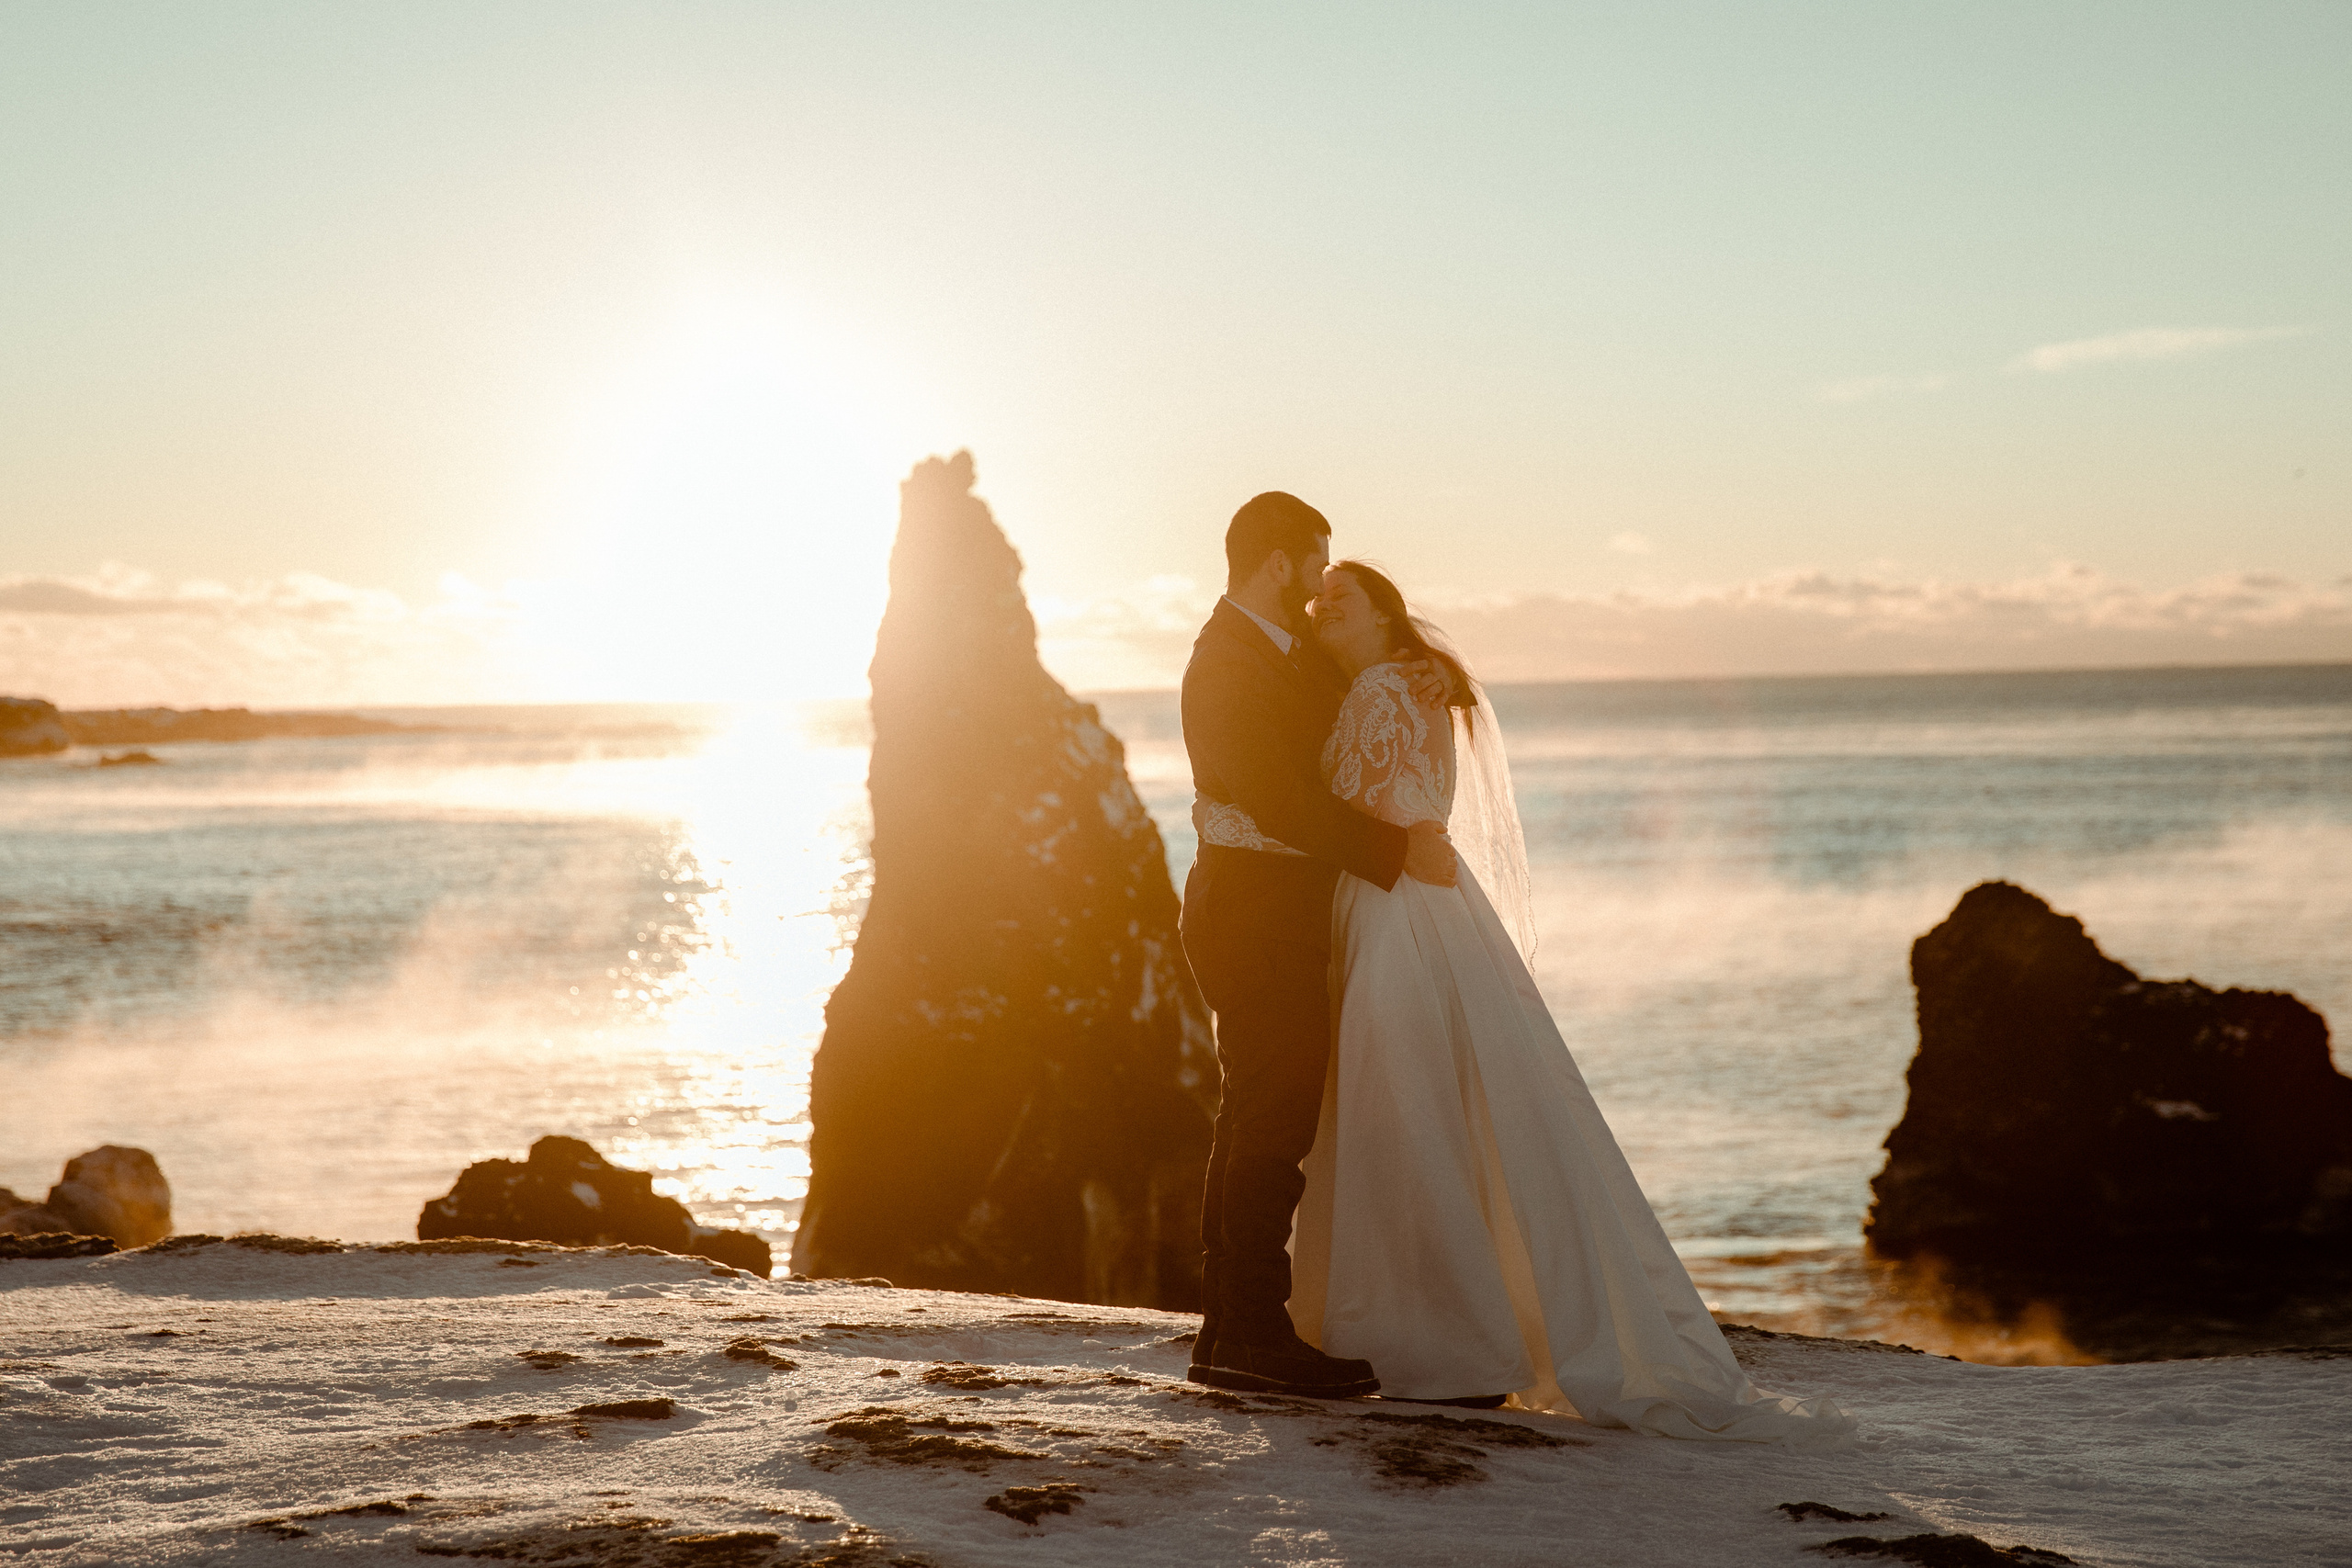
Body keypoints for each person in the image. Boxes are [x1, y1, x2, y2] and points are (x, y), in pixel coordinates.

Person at [1288, 558, 1858, 1448]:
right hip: (1437, 900)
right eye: (1317, 593)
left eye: (1342, 594)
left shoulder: (1374, 688)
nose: (1324, 603)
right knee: (1466, 1099)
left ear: (1383, 612)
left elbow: (1340, 802)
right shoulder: (1422, 683)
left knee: (1399, 1105)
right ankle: (1472, 1322)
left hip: (1391, 900)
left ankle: (1435, 1339)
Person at [1178, 492, 1457, 1398]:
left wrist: (1413, 674)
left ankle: (1233, 1330)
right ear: (1279, 561)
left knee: (1267, 1110)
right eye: (1314, 562)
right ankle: (1247, 1335)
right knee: (1269, 1114)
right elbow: (1273, 795)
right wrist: (1395, 846)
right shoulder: (1224, 661)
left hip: (1284, 909)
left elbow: (1349, 728)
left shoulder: (1282, 655)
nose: (1317, 583)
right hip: (1249, 910)